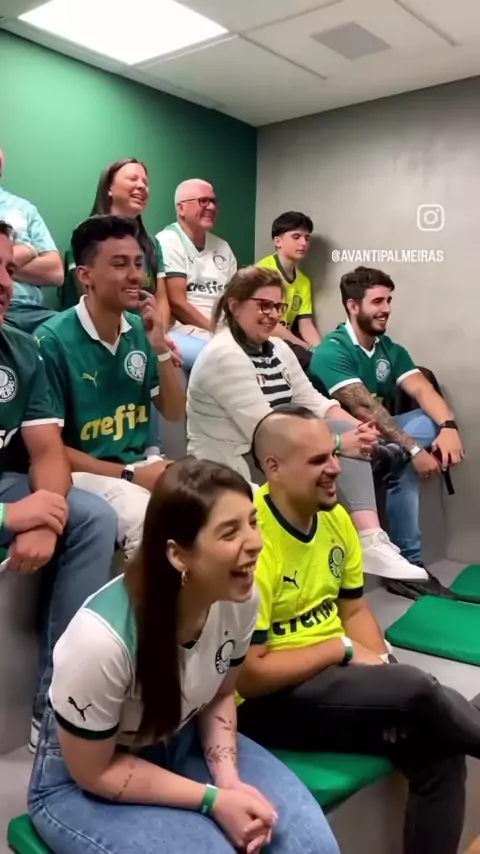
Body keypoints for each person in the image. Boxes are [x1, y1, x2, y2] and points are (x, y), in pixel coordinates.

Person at [28, 457, 340, 854]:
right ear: (178, 556)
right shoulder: (101, 641)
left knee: (313, 846)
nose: (256, 542)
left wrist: (228, 781)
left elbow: (222, 694)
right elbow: (95, 771)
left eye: (253, 522)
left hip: (181, 735)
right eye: (230, 532)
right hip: (83, 779)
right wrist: (212, 800)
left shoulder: (240, 598)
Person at [236, 406, 480, 854]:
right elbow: (250, 676)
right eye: (317, 460)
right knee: (418, 690)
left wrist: (384, 682)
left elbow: (353, 611)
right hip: (267, 703)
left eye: (333, 454)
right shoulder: (251, 543)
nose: (334, 468)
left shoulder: (335, 518)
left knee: (438, 747)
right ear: (274, 467)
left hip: (338, 679)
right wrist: (342, 652)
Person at [187, 265, 427, 581]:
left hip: (274, 453)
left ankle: (370, 540)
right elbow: (264, 430)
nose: (273, 315)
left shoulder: (278, 348)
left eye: (278, 307)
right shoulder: (224, 355)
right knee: (336, 446)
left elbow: (315, 401)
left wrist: (360, 432)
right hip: (232, 462)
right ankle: (354, 547)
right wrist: (337, 444)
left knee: (345, 431)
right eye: (264, 305)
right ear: (235, 305)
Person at [0, 219, 117, 751]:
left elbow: (47, 451)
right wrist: (10, 518)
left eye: (9, 269)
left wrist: (47, 515)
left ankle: (54, 707)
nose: (5, 284)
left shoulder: (21, 349)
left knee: (93, 517)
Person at [310, 266, 465, 599]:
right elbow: (365, 408)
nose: (386, 309)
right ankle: (409, 563)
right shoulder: (332, 350)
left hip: (381, 445)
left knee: (427, 419)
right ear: (353, 306)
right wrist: (414, 450)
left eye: (389, 300)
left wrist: (449, 427)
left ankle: (409, 568)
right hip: (344, 445)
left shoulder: (389, 349)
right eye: (377, 301)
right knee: (406, 457)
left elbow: (422, 389)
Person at [36, 215, 186, 559]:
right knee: (149, 523)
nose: (136, 276)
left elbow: (175, 411)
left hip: (139, 464)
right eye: (120, 265)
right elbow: (51, 451)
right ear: (85, 275)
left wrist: (160, 346)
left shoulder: (139, 330)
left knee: (227, 499)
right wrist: (131, 475)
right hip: (82, 473)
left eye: (138, 264)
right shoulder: (52, 340)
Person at [61, 158, 170, 324]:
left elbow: (161, 300)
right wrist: (134, 334)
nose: (141, 186)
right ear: (109, 188)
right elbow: (90, 300)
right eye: (132, 179)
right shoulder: (87, 235)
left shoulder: (152, 243)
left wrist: (159, 332)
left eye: (145, 182)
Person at [157, 179, 237, 371]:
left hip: (224, 328)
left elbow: (236, 296)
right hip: (185, 330)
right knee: (227, 358)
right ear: (181, 208)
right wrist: (217, 330)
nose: (211, 207)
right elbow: (177, 303)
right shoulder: (167, 241)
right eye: (203, 201)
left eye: (213, 201)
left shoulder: (222, 247)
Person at [0, 147, 63, 333]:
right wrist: (28, 250)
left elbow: (55, 272)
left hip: (32, 312)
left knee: (72, 333)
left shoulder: (24, 209)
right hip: (5, 314)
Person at [256, 211, 320, 369]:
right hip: (262, 339)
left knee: (326, 361)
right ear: (277, 241)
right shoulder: (262, 272)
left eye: (307, 238)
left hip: (287, 343)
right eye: (296, 237)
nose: (303, 243)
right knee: (309, 361)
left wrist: (321, 351)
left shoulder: (303, 281)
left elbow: (306, 324)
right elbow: (268, 324)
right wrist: (307, 347)